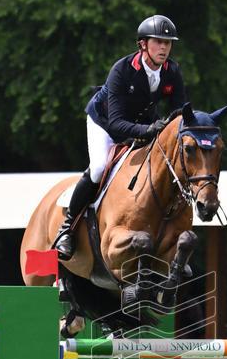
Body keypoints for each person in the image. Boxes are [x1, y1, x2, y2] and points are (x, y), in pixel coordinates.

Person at [56, 14, 188, 260]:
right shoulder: (122, 70)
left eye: (168, 43)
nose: (164, 48)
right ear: (143, 44)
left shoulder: (172, 71)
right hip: (105, 123)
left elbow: (181, 112)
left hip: (143, 123)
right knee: (98, 168)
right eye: (158, 42)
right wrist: (148, 131)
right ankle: (67, 229)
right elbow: (116, 123)